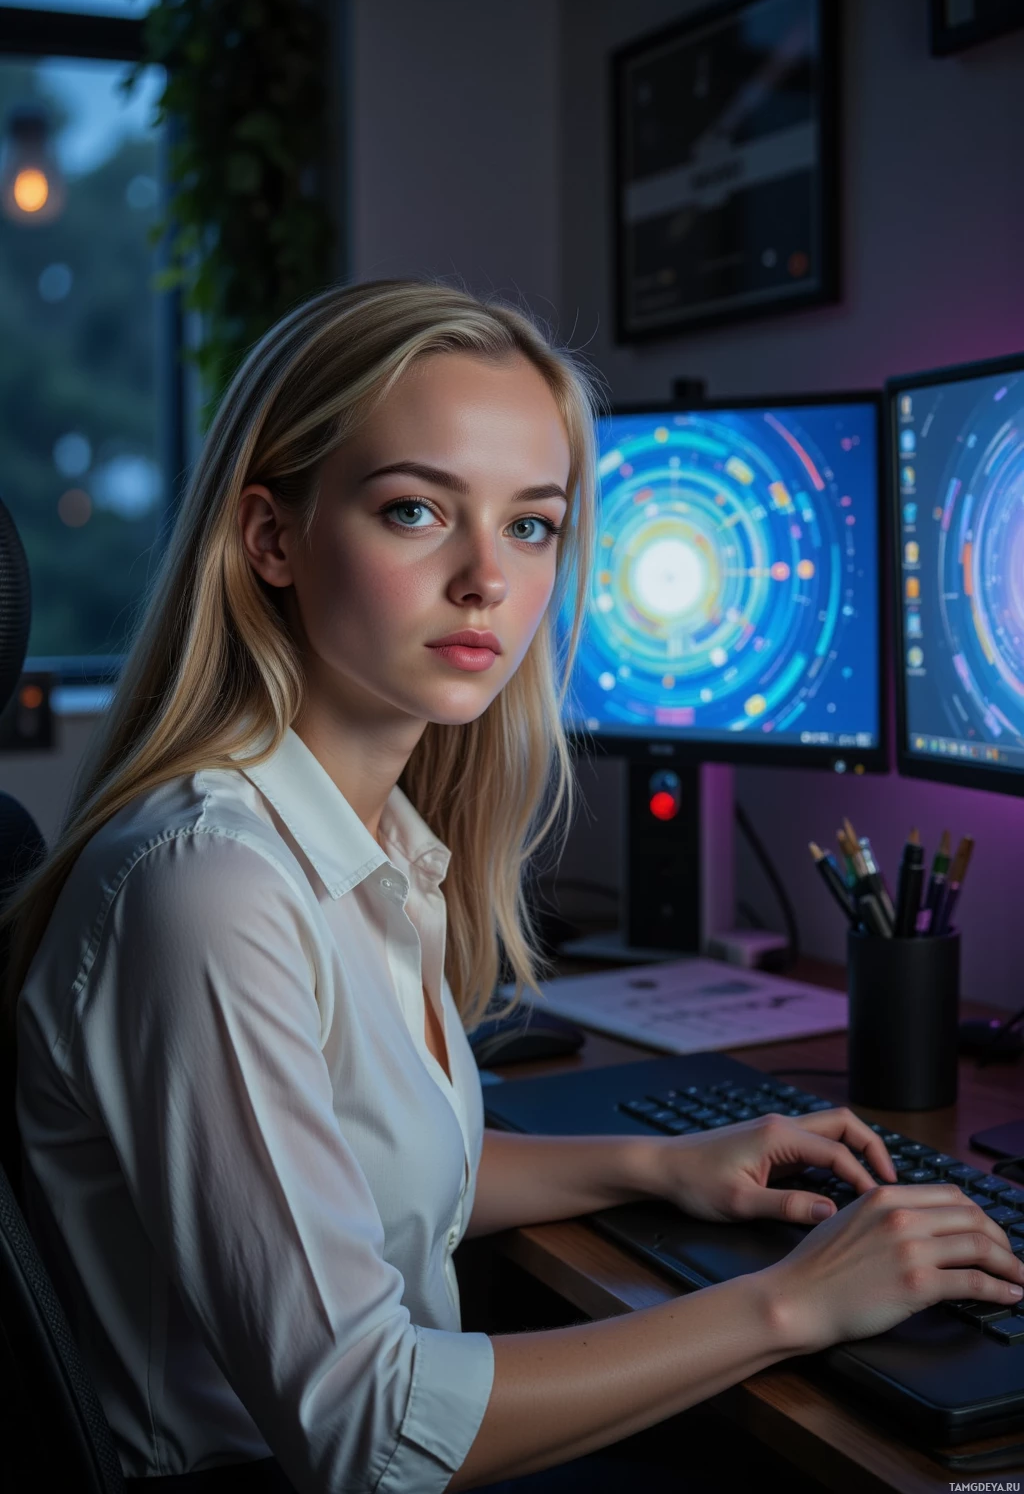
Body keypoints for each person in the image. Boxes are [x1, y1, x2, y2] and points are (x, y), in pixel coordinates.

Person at [3, 278, 1021, 1494]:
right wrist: (795, 1302)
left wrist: (658, 1165)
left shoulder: (366, 839)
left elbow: (369, 1168)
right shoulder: (211, 886)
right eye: (416, 509)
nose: (487, 577)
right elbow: (366, 1431)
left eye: (531, 524)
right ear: (270, 537)